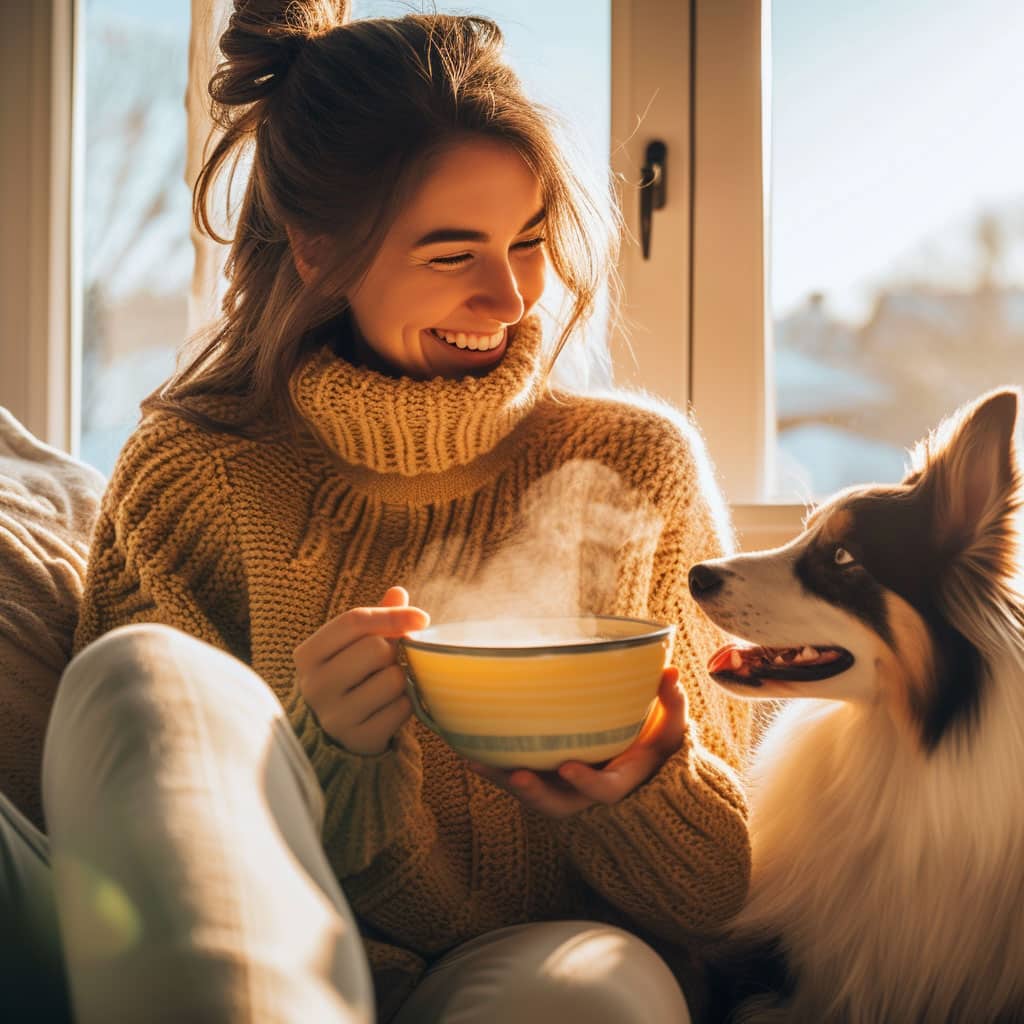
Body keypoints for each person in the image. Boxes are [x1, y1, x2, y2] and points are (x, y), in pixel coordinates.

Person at [15, 2, 755, 1021]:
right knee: (140, 674)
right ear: (320, 253)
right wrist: (329, 761)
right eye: (453, 254)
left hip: (538, 959)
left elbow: (725, 895)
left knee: (581, 999)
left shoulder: (635, 466)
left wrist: (645, 790)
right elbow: (144, 828)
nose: (510, 296)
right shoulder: (198, 472)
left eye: (529, 239)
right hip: (264, 941)